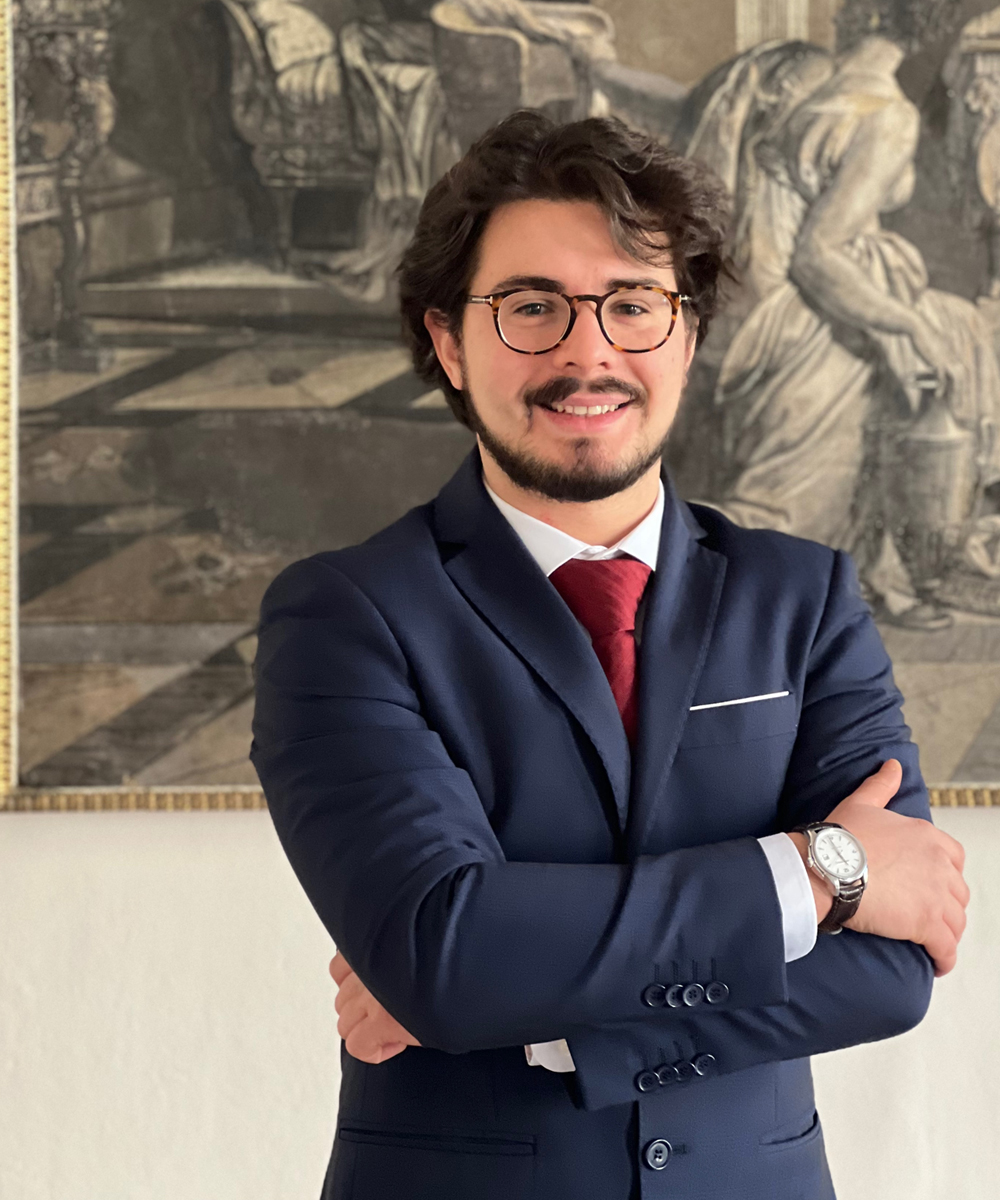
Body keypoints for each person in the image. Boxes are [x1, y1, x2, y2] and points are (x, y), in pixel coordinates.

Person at [251, 112, 970, 1200]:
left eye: (633, 304)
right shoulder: (344, 617)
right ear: (449, 341)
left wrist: (553, 1023)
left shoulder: (804, 598)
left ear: (687, 334)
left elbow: (891, 969)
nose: (588, 352)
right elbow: (446, 951)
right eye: (531, 306)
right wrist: (819, 872)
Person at [685, 7, 1000, 629]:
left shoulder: (795, 77)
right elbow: (819, 256)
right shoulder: (887, 114)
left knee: (956, 326)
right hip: (806, 322)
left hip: (758, 309)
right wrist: (909, 326)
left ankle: (879, 566)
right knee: (780, 526)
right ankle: (646, 573)